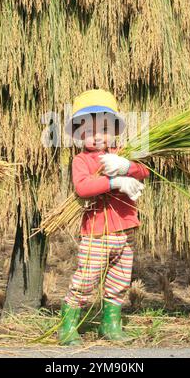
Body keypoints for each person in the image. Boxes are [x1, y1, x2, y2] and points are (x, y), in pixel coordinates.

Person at [59, 89, 150, 345]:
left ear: (114, 130)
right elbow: (83, 188)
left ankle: (110, 324)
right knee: (86, 280)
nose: (97, 137)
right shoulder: (81, 160)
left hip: (125, 231)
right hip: (97, 234)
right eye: (88, 131)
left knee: (120, 280)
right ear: (78, 134)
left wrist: (126, 167)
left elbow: (144, 170)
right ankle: (68, 325)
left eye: (103, 129)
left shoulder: (124, 153)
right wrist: (114, 181)